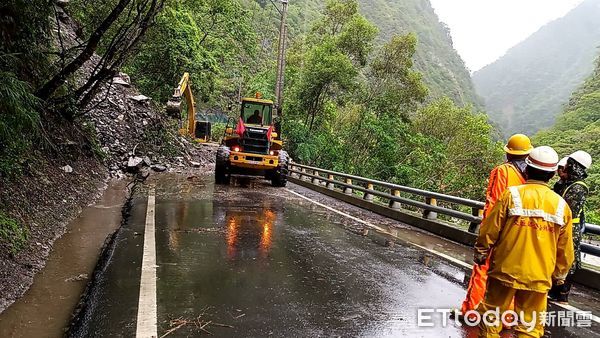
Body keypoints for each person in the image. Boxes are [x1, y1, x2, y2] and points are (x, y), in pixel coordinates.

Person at [475, 146, 574, 338]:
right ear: (553, 174)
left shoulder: (511, 195)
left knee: (491, 319)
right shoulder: (561, 206)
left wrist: (481, 251)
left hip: (505, 270)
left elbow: (489, 229)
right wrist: (560, 275)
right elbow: (565, 248)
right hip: (539, 275)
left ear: (527, 170)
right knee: (530, 327)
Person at [458, 134, 533, 318]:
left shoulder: (503, 171)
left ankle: (472, 312)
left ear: (508, 153)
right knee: (511, 279)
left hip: (500, 231)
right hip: (520, 233)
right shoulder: (532, 174)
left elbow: (493, 206)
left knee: (482, 270)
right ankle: (507, 317)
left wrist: (486, 237)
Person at [549, 150, 592, 303]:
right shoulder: (566, 184)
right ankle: (553, 289)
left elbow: (568, 210)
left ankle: (562, 294)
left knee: (567, 259)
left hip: (569, 228)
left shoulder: (578, 187)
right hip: (561, 225)